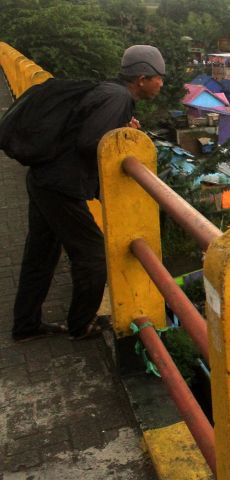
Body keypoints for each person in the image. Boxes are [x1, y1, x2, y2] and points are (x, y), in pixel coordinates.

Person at [12, 45, 165, 342]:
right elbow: (90, 143)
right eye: (159, 78)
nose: (161, 84)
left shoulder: (111, 92)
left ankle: (26, 326)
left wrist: (120, 126)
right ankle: (81, 325)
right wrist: (118, 133)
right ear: (143, 78)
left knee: (41, 255)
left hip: (45, 178)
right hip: (60, 187)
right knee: (93, 255)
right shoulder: (118, 98)